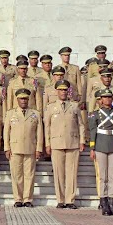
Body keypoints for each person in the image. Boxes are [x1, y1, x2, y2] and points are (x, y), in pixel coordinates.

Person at [44, 80, 86, 209]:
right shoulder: (50, 107)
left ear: (68, 91)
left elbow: (81, 125)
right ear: (56, 91)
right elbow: (47, 126)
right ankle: (60, 199)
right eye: (60, 90)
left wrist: (82, 141)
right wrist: (47, 143)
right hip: (56, 143)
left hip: (72, 142)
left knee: (72, 173)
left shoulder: (74, 106)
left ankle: (70, 200)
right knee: (58, 173)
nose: (63, 92)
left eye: (65, 90)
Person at [89, 88, 113, 216]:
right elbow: (93, 131)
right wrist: (92, 148)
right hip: (100, 146)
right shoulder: (95, 114)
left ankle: (112, 202)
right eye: (105, 97)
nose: (107, 99)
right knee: (103, 176)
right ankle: (104, 203)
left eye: (109, 97)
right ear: (100, 100)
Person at [4, 88, 42, 207]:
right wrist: (6, 148)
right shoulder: (10, 113)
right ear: (17, 99)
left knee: (29, 175)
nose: (23, 101)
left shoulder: (35, 113)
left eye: (25, 98)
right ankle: (18, 199)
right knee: (16, 175)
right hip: (15, 148)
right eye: (21, 98)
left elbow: (39, 132)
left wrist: (38, 148)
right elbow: (6, 132)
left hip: (30, 147)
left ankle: (28, 199)